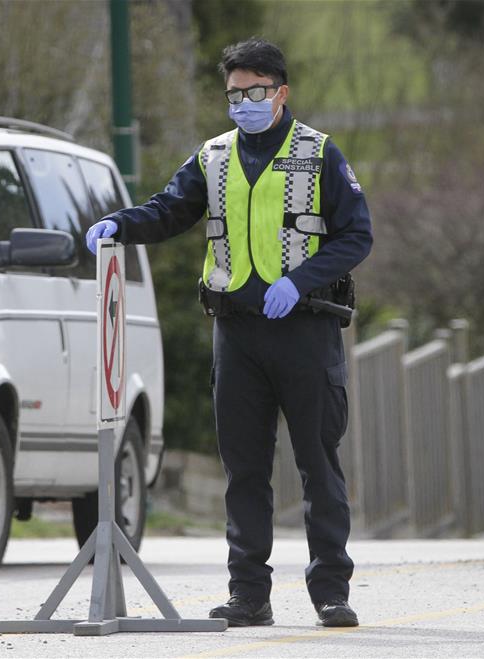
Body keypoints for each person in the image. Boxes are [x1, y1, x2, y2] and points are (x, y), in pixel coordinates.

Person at [85, 38, 372, 628]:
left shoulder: (318, 153)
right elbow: (170, 209)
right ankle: (249, 594)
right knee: (244, 469)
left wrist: (302, 278)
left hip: (305, 329)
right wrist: (121, 224)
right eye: (234, 93)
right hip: (237, 335)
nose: (243, 102)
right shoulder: (213, 156)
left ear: (280, 92)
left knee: (318, 463)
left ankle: (331, 592)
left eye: (255, 92)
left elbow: (355, 235)